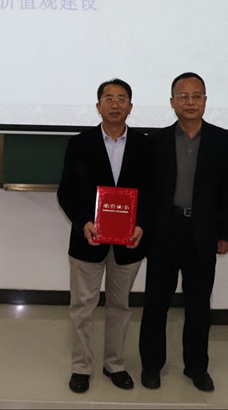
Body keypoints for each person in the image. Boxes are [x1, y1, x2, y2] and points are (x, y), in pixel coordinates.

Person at [138, 72, 228, 392]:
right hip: (164, 231)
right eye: (183, 96)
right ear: (172, 102)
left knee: (198, 306)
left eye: (196, 96)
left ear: (205, 101)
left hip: (203, 233)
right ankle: (151, 366)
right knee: (156, 303)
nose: (190, 102)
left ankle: (196, 367)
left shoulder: (222, 141)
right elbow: (148, 192)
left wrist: (227, 233)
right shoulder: (157, 142)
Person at [57, 78, 153, 394]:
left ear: (130, 107)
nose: (115, 104)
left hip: (129, 242)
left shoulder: (146, 145)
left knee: (120, 306)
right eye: (108, 98)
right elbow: (66, 192)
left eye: (121, 98)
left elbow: (153, 193)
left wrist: (141, 224)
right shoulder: (79, 143)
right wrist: (83, 222)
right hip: (88, 239)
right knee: (82, 307)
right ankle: (81, 367)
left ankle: (115, 365)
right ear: (98, 106)